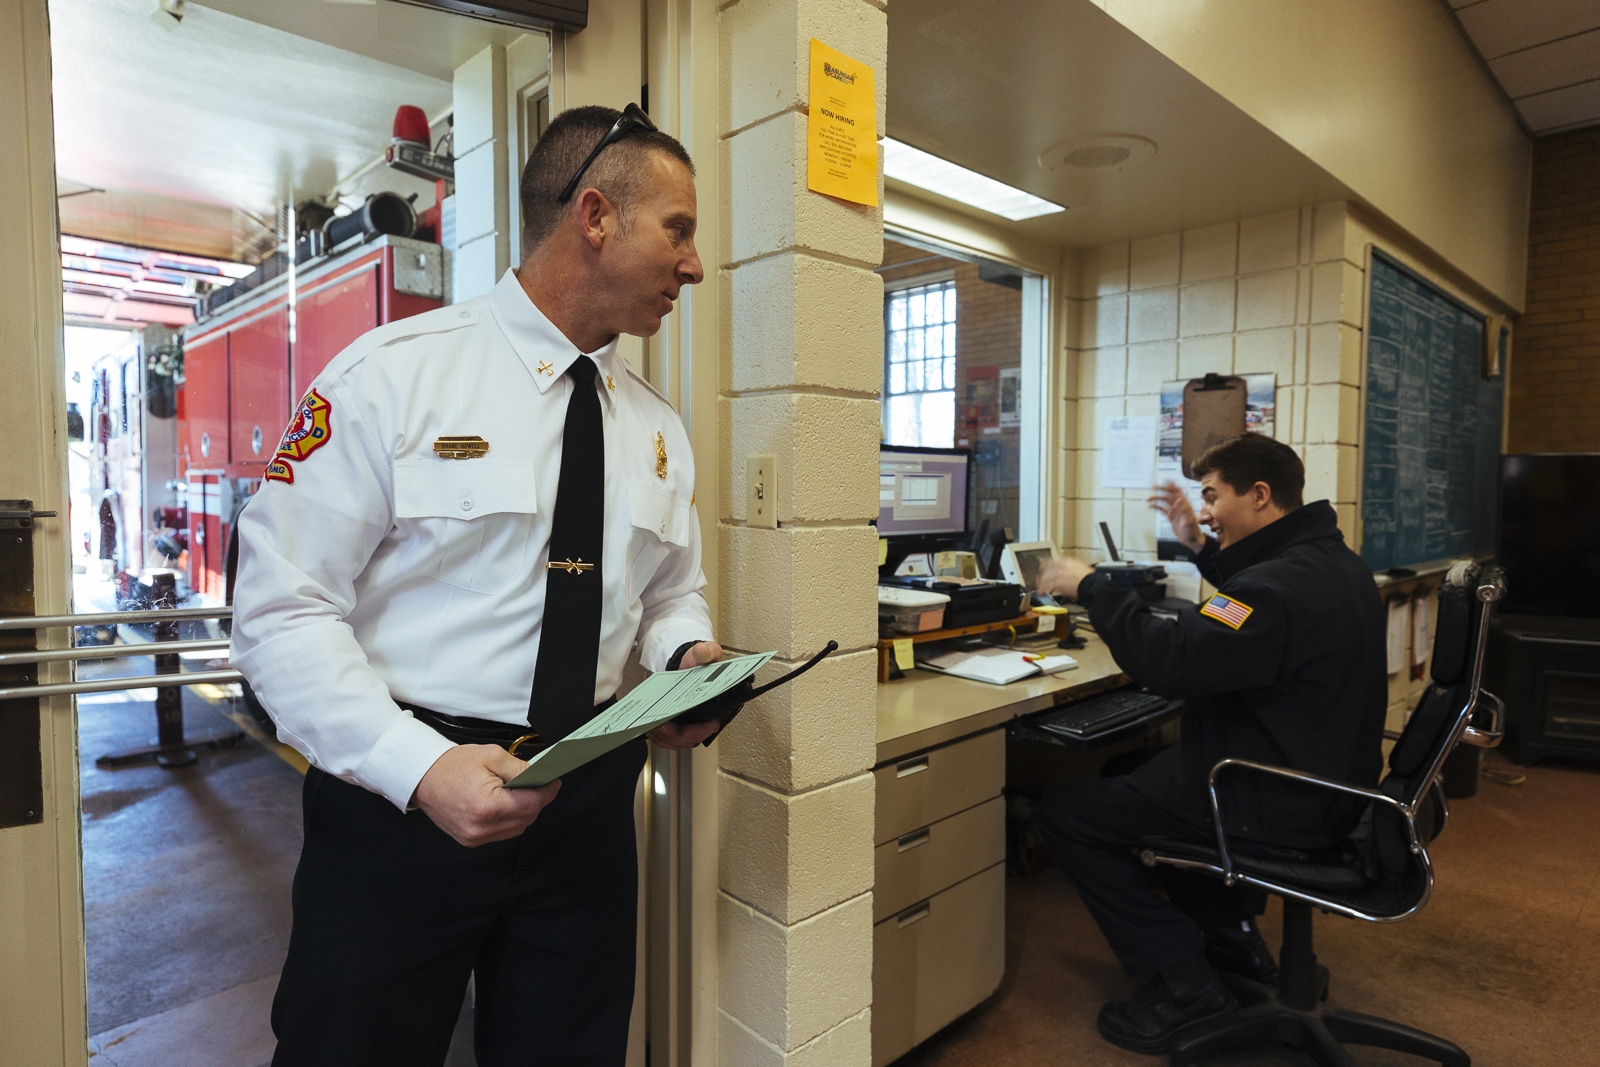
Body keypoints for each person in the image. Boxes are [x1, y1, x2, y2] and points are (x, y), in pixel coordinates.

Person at [231, 104, 722, 1067]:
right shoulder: (390, 380)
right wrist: (416, 766)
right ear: (595, 217)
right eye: (679, 229)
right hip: (398, 805)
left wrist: (686, 657)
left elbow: (671, 591)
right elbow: (281, 611)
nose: (694, 265)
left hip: (583, 804)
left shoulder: (657, 429)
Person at [1033, 433, 1386, 1055]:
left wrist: (1091, 585)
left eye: (1212, 496)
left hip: (1266, 796)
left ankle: (1187, 982)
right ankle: (1233, 941)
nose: (1204, 511)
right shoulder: (1333, 564)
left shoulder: (1271, 591)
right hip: (1326, 782)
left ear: (1259, 494)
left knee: (1065, 815)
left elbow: (1172, 661)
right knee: (1130, 763)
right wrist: (1201, 549)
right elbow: (1243, 610)